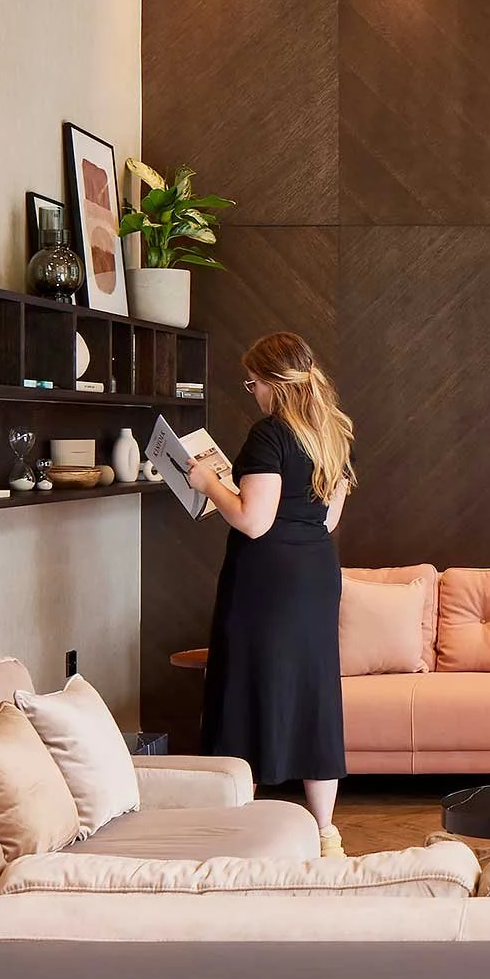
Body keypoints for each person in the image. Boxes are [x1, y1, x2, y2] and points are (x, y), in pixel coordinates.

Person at [189, 332, 352, 851]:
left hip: (266, 581)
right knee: (313, 690)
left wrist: (207, 480)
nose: (252, 391)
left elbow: (254, 521)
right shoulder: (332, 435)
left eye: (254, 382)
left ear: (274, 382)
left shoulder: (270, 435)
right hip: (315, 574)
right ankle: (325, 831)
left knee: (246, 686)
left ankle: (242, 826)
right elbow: (327, 520)